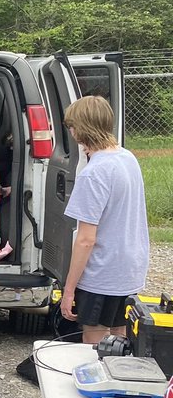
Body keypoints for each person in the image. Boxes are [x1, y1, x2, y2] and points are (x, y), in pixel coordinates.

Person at [59, 96, 149, 345]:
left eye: (72, 125)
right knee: (120, 339)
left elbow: (86, 240)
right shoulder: (127, 158)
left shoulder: (93, 173)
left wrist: (69, 290)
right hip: (129, 269)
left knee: (95, 342)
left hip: (102, 274)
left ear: (80, 129)